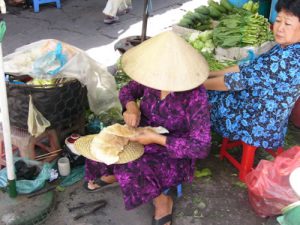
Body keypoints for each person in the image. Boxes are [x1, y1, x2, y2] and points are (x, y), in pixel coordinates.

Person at [84, 31, 211, 225]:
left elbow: (201, 147)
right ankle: (112, 173)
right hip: (141, 132)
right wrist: (131, 107)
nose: (159, 76)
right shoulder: (152, 78)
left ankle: (162, 202)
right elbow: (128, 90)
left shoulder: (195, 95)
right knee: (104, 141)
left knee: (133, 165)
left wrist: (156, 138)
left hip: (172, 148)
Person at [203, 0, 300, 150]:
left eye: (287, 24)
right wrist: (210, 73)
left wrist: (200, 83)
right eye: (278, 20)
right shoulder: (287, 48)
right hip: (271, 117)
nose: (279, 28)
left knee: (205, 96)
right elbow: (247, 66)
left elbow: (234, 82)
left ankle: (194, 142)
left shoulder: (285, 59)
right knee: (214, 88)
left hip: (257, 122)